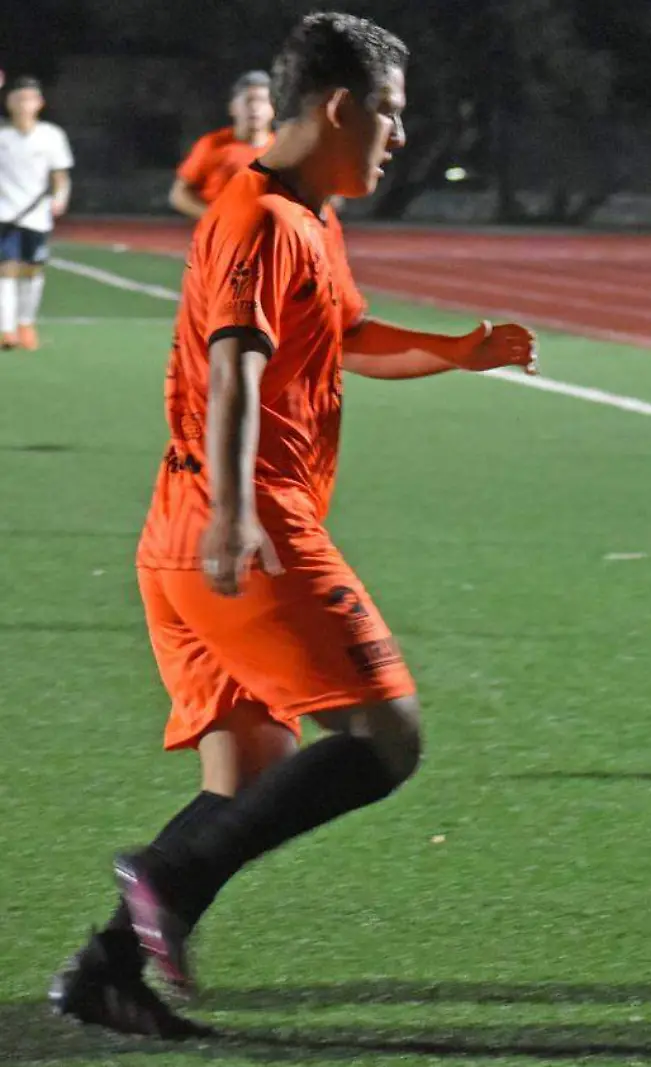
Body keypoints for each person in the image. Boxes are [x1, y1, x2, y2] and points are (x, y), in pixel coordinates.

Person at [48, 12, 539, 1039]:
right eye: (392, 117)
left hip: (190, 532)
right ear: (338, 105)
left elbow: (344, 333)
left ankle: (104, 970)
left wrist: (454, 351)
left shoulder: (308, 215)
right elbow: (236, 363)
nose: (400, 140)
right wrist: (237, 516)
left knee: (250, 779)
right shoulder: (260, 217)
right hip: (241, 525)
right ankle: (163, 875)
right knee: (385, 734)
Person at [0, 75, 73, 351]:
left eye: (29, 98)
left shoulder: (52, 136)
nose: (23, 104)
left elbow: (59, 175)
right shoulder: (2, 136)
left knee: (32, 271)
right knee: (5, 269)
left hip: (36, 216)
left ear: (40, 103)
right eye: (18, 98)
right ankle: (6, 331)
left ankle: (25, 323)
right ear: (9, 102)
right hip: (5, 215)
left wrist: (60, 198)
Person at [171, 70, 276, 219]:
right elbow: (179, 195)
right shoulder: (212, 144)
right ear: (232, 108)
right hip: (220, 237)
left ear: (273, 109)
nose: (255, 107)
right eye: (248, 100)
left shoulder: (282, 150)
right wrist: (216, 219)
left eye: (262, 101)